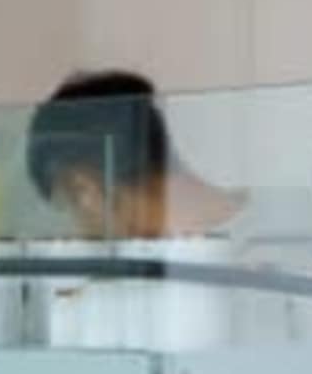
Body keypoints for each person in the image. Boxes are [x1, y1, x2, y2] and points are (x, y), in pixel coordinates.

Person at [22, 67, 240, 248]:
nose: (80, 236)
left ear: (84, 190)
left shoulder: (168, 266)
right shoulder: (268, 232)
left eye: (68, 208)